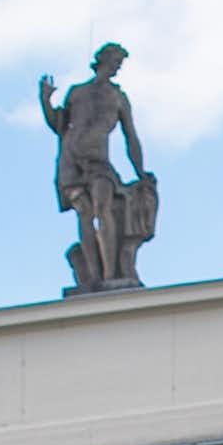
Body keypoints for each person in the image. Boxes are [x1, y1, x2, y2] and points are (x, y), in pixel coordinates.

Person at [40, 42, 156, 289]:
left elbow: (131, 137)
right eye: (115, 61)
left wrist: (140, 171)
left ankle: (111, 274)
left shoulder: (118, 97)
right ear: (103, 60)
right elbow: (59, 125)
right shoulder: (77, 92)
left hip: (99, 162)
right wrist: (45, 100)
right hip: (71, 160)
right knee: (85, 213)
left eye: (119, 63)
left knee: (103, 208)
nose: (117, 67)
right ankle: (93, 276)